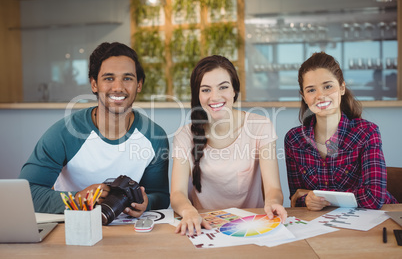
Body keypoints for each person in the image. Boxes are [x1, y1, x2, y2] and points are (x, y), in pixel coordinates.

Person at [19, 42, 170, 217]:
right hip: (72, 229)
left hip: (128, 231)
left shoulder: (155, 137)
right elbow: (26, 193)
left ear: (139, 85)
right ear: (94, 84)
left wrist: (146, 202)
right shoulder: (64, 133)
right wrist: (78, 199)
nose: (118, 87)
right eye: (109, 78)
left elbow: (160, 196)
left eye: (127, 78)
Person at [170, 55, 287, 236]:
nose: (215, 97)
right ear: (198, 95)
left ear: (234, 90)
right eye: (206, 90)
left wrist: (272, 201)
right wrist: (188, 211)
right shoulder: (185, 135)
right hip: (203, 228)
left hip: (251, 227)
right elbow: (177, 193)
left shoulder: (260, 126)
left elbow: (273, 188)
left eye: (223, 87)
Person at [285, 52, 398, 211]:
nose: (320, 96)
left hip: (378, 220)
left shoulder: (366, 132)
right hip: (326, 224)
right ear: (303, 96)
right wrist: (308, 198)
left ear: (342, 88)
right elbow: (298, 199)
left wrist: (319, 196)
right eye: (311, 90)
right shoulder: (293, 140)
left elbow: (373, 198)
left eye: (328, 86)